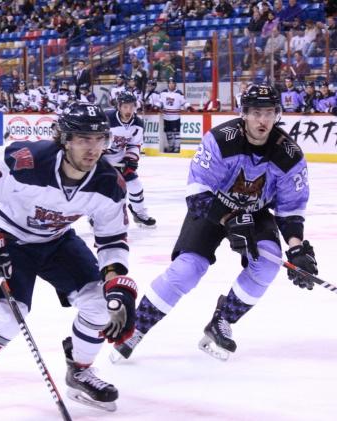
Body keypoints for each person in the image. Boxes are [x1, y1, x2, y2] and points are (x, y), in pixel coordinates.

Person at [0, 102, 138, 419]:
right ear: (65, 139)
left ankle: (79, 371)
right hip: (8, 240)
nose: (93, 148)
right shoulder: (22, 158)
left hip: (57, 241)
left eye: (100, 139)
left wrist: (116, 283)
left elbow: (112, 239)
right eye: (83, 139)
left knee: (100, 304)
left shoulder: (109, 182)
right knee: (5, 317)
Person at [110, 84, 318, 363]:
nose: (262, 120)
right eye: (256, 113)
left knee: (269, 263)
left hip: (254, 213)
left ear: (277, 115)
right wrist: (230, 220)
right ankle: (137, 327)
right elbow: (196, 195)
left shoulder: (289, 154)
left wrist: (297, 249)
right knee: (187, 270)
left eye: (269, 113)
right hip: (211, 207)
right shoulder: (221, 139)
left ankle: (222, 320)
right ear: (243, 113)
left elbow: (290, 209)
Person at [104, 91, 156, 228]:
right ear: (119, 106)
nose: (129, 110)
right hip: (100, 159)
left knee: (135, 185)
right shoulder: (106, 118)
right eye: (125, 107)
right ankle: (96, 216)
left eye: (131, 106)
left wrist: (130, 159)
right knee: (102, 189)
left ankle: (139, 213)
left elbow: (134, 144)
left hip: (119, 158)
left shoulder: (138, 123)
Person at [159, 77, 188, 153]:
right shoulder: (163, 93)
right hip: (166, 117)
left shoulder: (179, 93)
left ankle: (177, 147)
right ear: (168, 84)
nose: (171, 85)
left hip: (176, 117)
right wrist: (156, 106)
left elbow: (184, 103)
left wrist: (188, 106)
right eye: (170, 83)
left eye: (173, 83)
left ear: (175, 84)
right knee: (168, 132)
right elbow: (160, 102)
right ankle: (171, 146)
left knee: (176, 133)